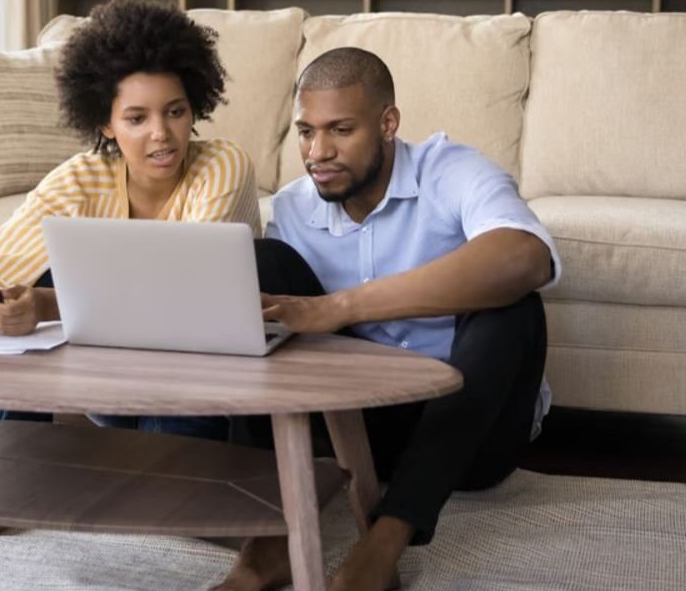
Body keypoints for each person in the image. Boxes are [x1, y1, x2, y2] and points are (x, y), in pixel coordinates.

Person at [213, 47, 559, 591]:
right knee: (260, 265)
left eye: (340, 130)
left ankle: (386, 540)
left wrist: (340, 307)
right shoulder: (295, 208)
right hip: (358, 432)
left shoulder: (451, 171)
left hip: (470, 435)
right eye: (305, 132)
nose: (318, 151)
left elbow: (524, 257)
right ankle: (270, 542)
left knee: (513, 306)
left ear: (388, 123)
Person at [0, 0, 261, 536]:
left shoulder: (223, 165)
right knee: (28, 294)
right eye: (137, 118)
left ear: (195, 106)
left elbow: (181, 293)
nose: (162, 135)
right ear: (105, 121)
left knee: (173, 506)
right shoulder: (82, 176)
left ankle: (112, 465)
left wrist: (47, 305)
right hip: (111, 382)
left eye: (175, 111)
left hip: (197, 378)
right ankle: (14, 472)